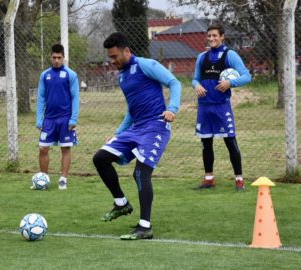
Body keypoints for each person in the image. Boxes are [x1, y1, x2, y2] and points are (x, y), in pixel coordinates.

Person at [92, 32, 181, 240]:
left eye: (115, 57)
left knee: (140, 173)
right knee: (100, 158)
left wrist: (172, 108)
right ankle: (121, 203)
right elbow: (132, 110)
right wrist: (118, 133)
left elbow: (174, 83)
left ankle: (145, 227)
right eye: (110, 57)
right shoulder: (122, 76)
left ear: (127, 51)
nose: (112, 61)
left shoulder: (145, 65)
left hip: (156, 126)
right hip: (136, 128)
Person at [192, 23, 252, 191]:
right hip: (204, 108)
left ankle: (239, 180)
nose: (211, 38)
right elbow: (195, 78)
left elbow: (247, 77)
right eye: (209, 36)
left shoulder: (230, 55)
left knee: (230, 142)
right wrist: (196, 85)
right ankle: (209, 179)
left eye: (215, 36)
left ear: (222, 36)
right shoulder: (201, 57)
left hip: (221, 107)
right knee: (206, 143)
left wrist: (230, 82)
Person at [35, 44, 80, 190]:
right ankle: (44, 179)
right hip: (49, 119)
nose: (56, 61)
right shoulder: (45, 75)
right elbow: (41, 97)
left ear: (63, 58)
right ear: (50, 57)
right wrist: (39, 119)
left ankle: (63, 179)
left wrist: (73, 118)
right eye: (54, 57)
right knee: (43, 148)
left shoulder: (70, 74)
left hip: (65, 118)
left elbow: (75, 97)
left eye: (59, 58)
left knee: (65, 148)